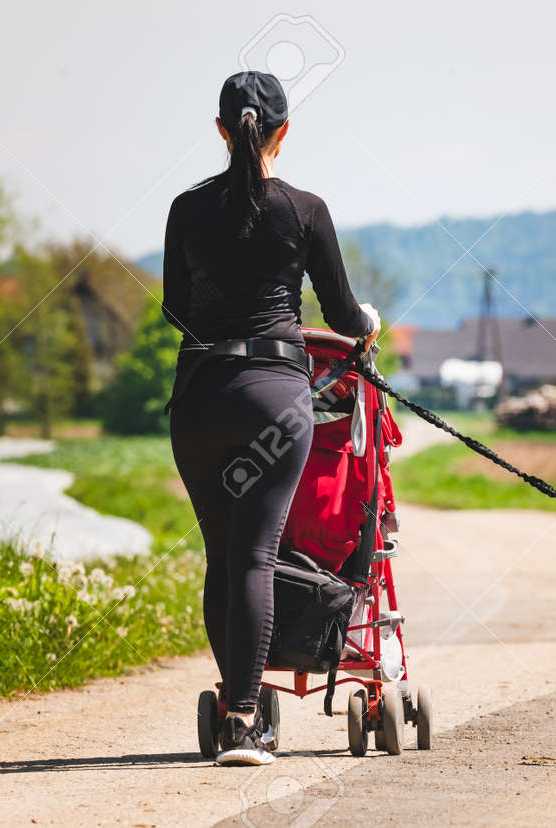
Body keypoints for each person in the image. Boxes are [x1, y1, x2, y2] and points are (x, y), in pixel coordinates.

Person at [163, 71, 380, 766]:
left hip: (200, 396)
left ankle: (234, 706)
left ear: (222, 130)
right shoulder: (306, 209)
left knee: (222, 557)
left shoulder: (185, 209)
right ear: (283, 131)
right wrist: (366, 323)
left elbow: (174, 308)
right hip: (272, 395)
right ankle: (245, 721)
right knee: (257, 554)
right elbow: (344, 317)